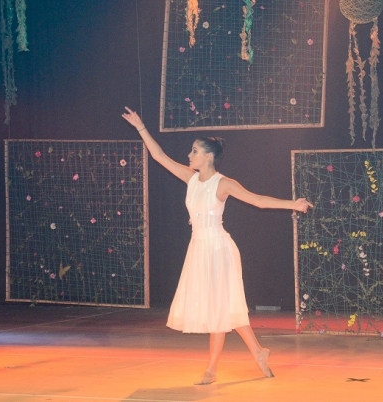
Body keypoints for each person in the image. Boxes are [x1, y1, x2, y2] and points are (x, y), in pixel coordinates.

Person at [121, 106, 313, 385]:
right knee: (223, 308)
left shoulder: (223, 184)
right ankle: (258, 352)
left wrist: (292, 204)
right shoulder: (191, 178)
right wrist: (140, 126)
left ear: (208, 156)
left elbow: (258, 200)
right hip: (198, 248)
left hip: (219, 248)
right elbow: (159, 156)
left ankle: (212, 369)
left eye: (194, 152)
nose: (189, 156)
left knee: (220, 308)